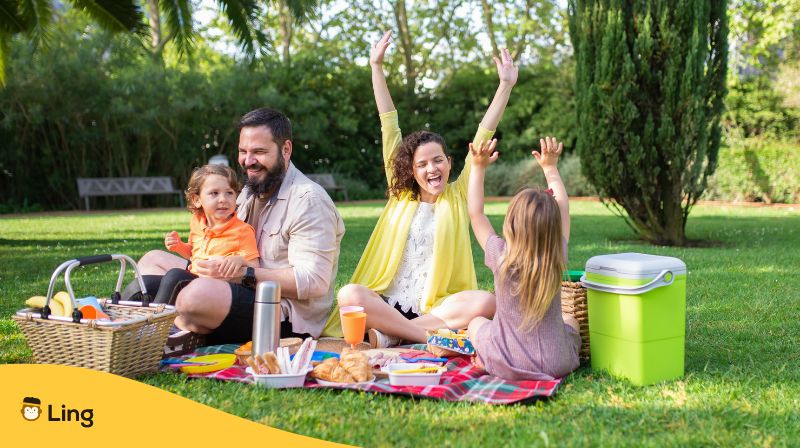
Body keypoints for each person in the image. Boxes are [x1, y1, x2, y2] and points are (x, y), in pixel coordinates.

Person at [324, 30, 518, 347]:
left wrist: (505, 85)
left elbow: (484, 133)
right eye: (423, 164)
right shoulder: (400, 194)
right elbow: (389, 122)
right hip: (386, 302)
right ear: (411, 171)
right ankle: (424, 337)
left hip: (436, 309)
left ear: (450, 163)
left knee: (485, 302)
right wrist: (376, 67)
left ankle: (389, 336)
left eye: (438, 161)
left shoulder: (458, 196)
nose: (432, 169)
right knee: (349, 294)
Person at [126, 108, 345, 345]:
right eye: (243, 151)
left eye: (259, 152)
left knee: (193, 296)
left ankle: (166, 331)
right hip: (231, 286)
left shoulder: (308, 200)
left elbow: (314, 282)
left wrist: (245, 274)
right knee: (151, 261)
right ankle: (148, 325)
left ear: (286, 149)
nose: (248, 161)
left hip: (280, 314)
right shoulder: (249, 192)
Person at [466, 136, 580, 380]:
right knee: (570, 319)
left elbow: (476, 215)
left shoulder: (501, 255)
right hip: (556, 362)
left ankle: (484, 359)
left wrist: (477, 168)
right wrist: (550, 169)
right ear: (553, 227)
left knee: (476, 323)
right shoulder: (556, 252)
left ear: (512, 224)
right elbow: (563, 208)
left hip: (506, 360)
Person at [144, 164, 260, 305]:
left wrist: (239, 260)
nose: (223, 199)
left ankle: (155, 322)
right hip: (195, 279)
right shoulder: (197, 222)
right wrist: (179, 246)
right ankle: (120, 319)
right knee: (147, 283)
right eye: (214, 193)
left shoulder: (242, 231)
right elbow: (194, 254)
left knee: (175, 276)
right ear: (197, 200)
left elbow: (255, 265)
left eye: (229, 193)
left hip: (220, 289)